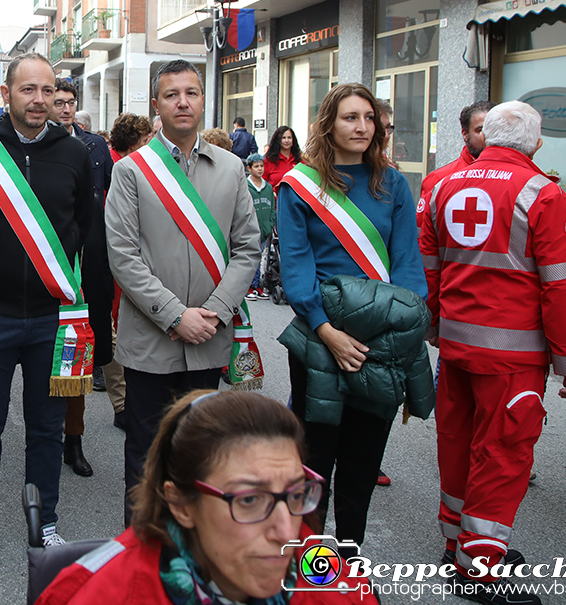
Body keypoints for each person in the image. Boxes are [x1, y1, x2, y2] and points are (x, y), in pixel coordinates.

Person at [419, 101, 566, 605]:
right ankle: (479, 569)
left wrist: (434, 327)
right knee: (503, 453)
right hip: (513, 357)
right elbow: (563, 287)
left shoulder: (444, 186)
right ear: (536, 143)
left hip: (455, 346)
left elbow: (428, 267)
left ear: (484, 135)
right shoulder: (543, 193)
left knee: (456, 440)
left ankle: (459, 543)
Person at [0, 52, 93, 585]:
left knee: (47, 429)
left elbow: (84, 232)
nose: (39, 100)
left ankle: (45, 525)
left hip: (54, 320)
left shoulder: (76, 154)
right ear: (6, 95)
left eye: (47, 90)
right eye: (27, 90)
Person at [36, 390, 377, 605]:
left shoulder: (339, 588)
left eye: (295, 493)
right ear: (181, 504)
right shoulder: (96, 594)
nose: (286, 532)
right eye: (249, 499)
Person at [106, 59, 260, 526]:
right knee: (145, 454)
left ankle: (190, 555)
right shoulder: (132, 171)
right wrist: (176, 316)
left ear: (202, 99)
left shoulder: (232, 168)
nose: (183, 102)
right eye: (172, 94)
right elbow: (123, 256)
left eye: (191, 93)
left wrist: (212, 312)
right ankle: (140, 558)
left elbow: (248, 248)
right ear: (157, 104)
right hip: (152, 342)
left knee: (197, 453)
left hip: (209, 340)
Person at [275, 83, 427, 553]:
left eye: (369, 118)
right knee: (316, 457)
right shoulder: (300, 185)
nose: (362, 127)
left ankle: (350, 562)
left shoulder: (393, 182)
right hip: (321, 336)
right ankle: (311, 564)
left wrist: (400, 329)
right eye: (350, 117)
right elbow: (296, 268)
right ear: (328, 124)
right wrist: (327, 331)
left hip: (381, 338)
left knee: (363, 459)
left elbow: (407, 262)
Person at [52, 79, 115, 479]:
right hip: (44, 262)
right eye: (58, 102)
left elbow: (107, 194)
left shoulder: (95, 146)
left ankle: (73, 438)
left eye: (69, 102)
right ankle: (43, 438)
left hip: (88, 259)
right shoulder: (29, 147)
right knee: (45, 357)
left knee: (80, 352)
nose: (63, 108)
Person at [103, 113, 155, 430]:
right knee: (116, 332)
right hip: (117, 265)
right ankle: (123, 403)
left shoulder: (146, 168)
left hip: (140, 265)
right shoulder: (118, 171)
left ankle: (130, 400)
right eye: (147, 141)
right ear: (133, 143)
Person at [417, 101, 494, 225]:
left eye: (493, 130)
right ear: (465, 134)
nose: (487, 137)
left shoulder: (516, 177)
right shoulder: (439, 179)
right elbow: (421, 231)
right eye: (480, 130)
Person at [245, 153, 275, 301]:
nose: (260, 169)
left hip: (264, 230)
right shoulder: (246, 186)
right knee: (252, 257)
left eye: (261, 166)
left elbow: (272, 208)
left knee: (261, 257)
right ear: (249, 168)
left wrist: (270, 223)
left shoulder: (268, 187)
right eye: (256, 166)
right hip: (250, 229)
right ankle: (250, 286)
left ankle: (258, 285)